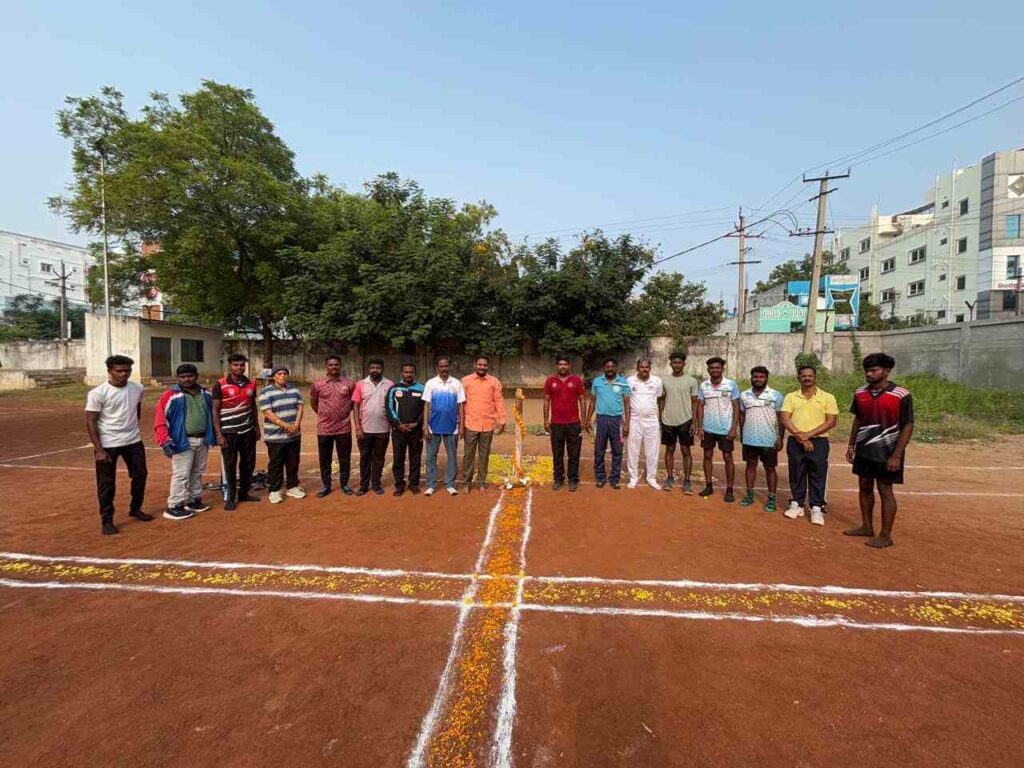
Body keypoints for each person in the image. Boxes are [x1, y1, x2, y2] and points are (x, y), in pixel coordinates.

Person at [844, 353, 915, 549]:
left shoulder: (901, 394)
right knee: (864, 486)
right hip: (865, 450)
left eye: (874, 370)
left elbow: (908, 425)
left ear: (886, 371)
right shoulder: (860, 393)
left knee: (885, 490)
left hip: (888, 452)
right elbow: (857, 420)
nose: (869, 374)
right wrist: (851, 445)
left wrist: (897, 455)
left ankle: (886, 534)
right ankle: (867, 526)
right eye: (867, 370)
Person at [85, 354, 151, 535]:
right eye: (119, 370)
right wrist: (98, 449)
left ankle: (135, 508)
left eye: (127, 370)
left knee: (140, 475)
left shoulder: (137, 388)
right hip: (107, 444)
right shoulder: (97, 393)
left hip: (133, 440)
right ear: (109, 371)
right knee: (106, 483)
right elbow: (91, 420)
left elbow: (136, 410)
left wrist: (132, 429)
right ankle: (107, 519)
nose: (124, 374)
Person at [154, 363, 217, 521]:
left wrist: (214, 436)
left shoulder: (206, 394)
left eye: (190, 376)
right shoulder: (170, 395)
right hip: (182, 440)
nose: (187, 379)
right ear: (178, 378)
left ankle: (193, 499)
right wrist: (164, 440)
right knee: (181, 474)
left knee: (197, 471)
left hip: (202, 439)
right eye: (183, 377)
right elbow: (161, 419)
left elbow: (213, 415)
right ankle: (174, 505)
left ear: (196, 376)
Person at [780, 364, 838, 526]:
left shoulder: (827, 397)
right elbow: (785, 418)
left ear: (815, 377)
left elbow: (831, 421)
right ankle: (797, 504)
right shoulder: (791, 397)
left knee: (817, 474)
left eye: (810, 375)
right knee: (796, 472)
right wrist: (801, 437)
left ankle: (816, 507)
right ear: (799, 378)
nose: (807, 378)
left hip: (819, 441)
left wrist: (808, 435)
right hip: (796, 441)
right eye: (803, 376)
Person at [212, 353, 260, 510]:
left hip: (248, 431)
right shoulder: (220, 384)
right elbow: (215, 409)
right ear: (230, 366)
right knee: (230, 465)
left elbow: (253, 407)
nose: (239, 367)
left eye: (241, 365)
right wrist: (219, 434)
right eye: (236, 365)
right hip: (229, 432)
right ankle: (231, 497)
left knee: (248, 464)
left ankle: (244, 493)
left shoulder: (251, 384)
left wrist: (257, 427)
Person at [738, 366, 784, 512]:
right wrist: (742, 433)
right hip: (750, 438)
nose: (758, 379)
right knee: (750, 466)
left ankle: (771, 499)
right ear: (751, 378)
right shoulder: (744, 395)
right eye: (755, 377)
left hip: (769, 439)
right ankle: (749, 495)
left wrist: (780, 438)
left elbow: (781, 419)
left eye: (761, 377)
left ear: (766, 378)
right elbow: (741, 415)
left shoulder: (776, 395)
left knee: (770, 468)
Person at [695, 356, 741, 501]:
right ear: (708, 370)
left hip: (725, 428)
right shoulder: (703, 385)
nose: (715, 370)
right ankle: (708, 486)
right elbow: (700, 406)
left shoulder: (731, 385)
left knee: (727, 457)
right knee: (707, 455)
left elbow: (736, 407)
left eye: (717, 367)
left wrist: (734, 428)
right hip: (708, 428)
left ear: (722, 369)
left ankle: (729, 489)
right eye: (712, 368)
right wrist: (700, 427)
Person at [310, 355, 356, 498]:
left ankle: (345, 484)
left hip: (344, 428)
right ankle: (326, 485)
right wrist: (324, 414)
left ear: (340, 366)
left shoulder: (349, 384)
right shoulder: (318, 384)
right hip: (324, 428)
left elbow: (353, 403)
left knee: (344, 458)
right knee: (325, 459)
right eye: (331, 365)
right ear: (326, 366)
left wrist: (342, 414)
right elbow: (314, 402)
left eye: (336, 364)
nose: (333, 367)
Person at [258, 365, 305, 504]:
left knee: (293, 462)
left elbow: (300, 407)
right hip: (275, 436)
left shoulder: (294, 389)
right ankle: (275, 490)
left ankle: (292, 486)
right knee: (276, 463)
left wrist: (295, 425)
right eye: (279, 373)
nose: (283, 375)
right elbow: (268, 412)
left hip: (294, 435)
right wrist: (286, 426)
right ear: (274, 376)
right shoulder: (266, 392)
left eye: (285, 373)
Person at [460, 355, 506, 492]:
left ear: (488, 366)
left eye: (484, 365)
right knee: (468, 454)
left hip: (488, 424)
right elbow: (461, 403)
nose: (482, 367)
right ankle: (467, 483)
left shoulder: (494, 382)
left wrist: (502, 420)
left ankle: (481, 481)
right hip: (470, 423)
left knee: (484, 454)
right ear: (475, 365)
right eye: (480, 365)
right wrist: (460, 423)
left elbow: (498, 401)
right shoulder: (465, 381)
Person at [423, 355, 466, 496]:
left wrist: (461, 426)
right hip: (432, 427)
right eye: (441, 366)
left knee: (452, 456)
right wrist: (425, 426)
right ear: (437, 367)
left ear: (449, 366)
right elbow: (427, 405)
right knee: (431, 457)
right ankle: (431, 484)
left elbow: (460, 406)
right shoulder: (430, 383)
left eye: (446, 366)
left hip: (452, 426)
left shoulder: (457, 383)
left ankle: (450, 483)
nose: (444, 368)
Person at [351, 358, 394, 496]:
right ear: (369, 369)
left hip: (383, 429)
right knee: (365, 457)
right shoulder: (361, 384)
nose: (375, 370)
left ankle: (376, 484)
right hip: (365, 430)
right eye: (373, 368)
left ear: (382, 369)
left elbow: (393, 406)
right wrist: (358, 427)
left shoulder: (389, 384)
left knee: (379, 458)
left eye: (378, 368)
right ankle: (363, 485)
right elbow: (355, 406)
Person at [543, 355, 586, 491]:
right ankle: (558, 479)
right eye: (560, 364)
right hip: (556, 423)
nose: (563, 367)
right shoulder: (550, 381)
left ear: (569, 366)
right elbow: (546, 400)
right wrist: (545, 419)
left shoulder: (576, 380)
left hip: (573, 423)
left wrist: (583, 420)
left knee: (574, 453)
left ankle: (573, 479)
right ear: (557, 366)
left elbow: (582, 399)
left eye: (565, 364)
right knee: (557, 453)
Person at [587, 357, 631, 489]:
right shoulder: (597, 381)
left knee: (617, 451)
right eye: (607, 367)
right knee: (599, 450)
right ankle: (600, 477)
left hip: (617, 421)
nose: (610, 369)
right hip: (601, 420)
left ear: (616, 368)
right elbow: (593, 401)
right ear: (604, 368)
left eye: (612, 367)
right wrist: (587, 418)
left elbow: (627, 403)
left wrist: (627, 423)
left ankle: (614, 478)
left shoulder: (623, 382)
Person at [660, 351, 699, 494]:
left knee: (685, 450)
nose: (676, 365)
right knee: (669, 449)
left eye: (679, 362)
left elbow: (695, 403)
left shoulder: (692, 381)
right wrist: (660, 417)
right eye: (674, 362)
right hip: (668, 420)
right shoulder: (664, 380)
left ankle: (687, 481)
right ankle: (669, 478)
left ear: (684, 364)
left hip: (686, 420)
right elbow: (662, 400)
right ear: (670, 364)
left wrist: (694, 422)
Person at [387, 361, 426, 496]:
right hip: (399, 430)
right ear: (401, 373)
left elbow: (425, 410)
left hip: (416, 430)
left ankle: (414, 484)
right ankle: (399, 485)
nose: (408, 374)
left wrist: (417, 423)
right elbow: (389, 408)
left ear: (414, 373)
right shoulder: (394, 389)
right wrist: (398, 424)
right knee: (398, 458)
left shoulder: (421, 388)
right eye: (406, 372)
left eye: (411, 372)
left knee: (415, 458)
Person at [626, 358, 665, 490]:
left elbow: (659, 399)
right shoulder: (630, 381)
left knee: (652, 451)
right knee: (633, 450)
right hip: (635, 420)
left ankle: (651, 478)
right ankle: (633, 477)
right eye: (642, 367)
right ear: (637, 368)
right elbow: (626, 400)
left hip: (652, 420)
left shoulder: (657, 381)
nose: (644, 369)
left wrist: (659, 418)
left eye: (646, 367)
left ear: (650, 368)